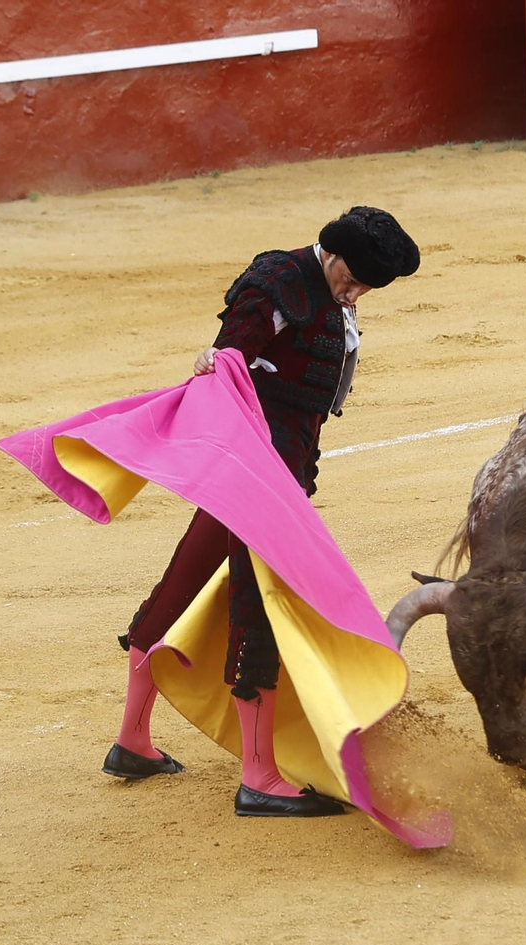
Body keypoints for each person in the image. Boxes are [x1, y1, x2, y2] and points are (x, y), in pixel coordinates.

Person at [102, 206, 420, 818]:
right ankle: (258, 777)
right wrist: (215, 359)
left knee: (183, 584)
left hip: (270, 467)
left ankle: (132, 741)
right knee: (259, 605)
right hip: (255, 471)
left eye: (364, 290)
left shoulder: (326, 295)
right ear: (330, 254)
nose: (354, 296)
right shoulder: (279, 281)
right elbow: (230, 358)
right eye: (351, 281)